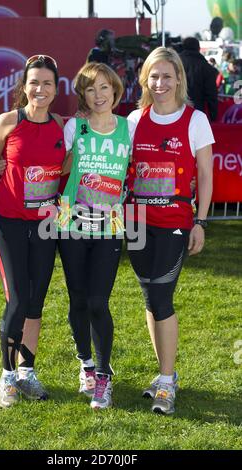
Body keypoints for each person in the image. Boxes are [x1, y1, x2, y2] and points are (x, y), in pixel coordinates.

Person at [0, 55, 66, 408]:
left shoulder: (62, 126)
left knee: (36, 300)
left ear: (57, 90)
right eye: (34, 82)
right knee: (18, 300)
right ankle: (7, 376)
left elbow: (69, 161)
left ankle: (27, 371)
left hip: (44, 225)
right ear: (24, 87)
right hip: (6, 222)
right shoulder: (8, 122)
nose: (40, 89)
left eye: (47, 84)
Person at [127, 46, 214, 415]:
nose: (160, 82)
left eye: (167, 75)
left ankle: (166, 380)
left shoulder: (196, 121)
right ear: (144, 79)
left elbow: (207, 175)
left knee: (161, 299)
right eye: (153, 76)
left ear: (179, 78)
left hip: (175, 224)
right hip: (136, 224)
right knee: (150, 298)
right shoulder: (132, 120)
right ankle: (164, 375)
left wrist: (201, 221)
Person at [57, 62, 135, 410]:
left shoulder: (129, 128)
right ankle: (86, 365)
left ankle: (104, 376)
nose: (99, 95)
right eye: (91, 89)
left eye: (105, 87)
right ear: (82, 95)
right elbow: (55, 166)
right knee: (77, 299)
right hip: (69, 222)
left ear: (115, 90)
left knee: (98, 302)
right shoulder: (75, 126)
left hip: (110, 225)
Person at [180, 37, 218, 121]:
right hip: (197, 111)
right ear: (198, 48)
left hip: (175, 109)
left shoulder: (174, 63)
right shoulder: (206, 67)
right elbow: (212, 94)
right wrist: (213, 117)